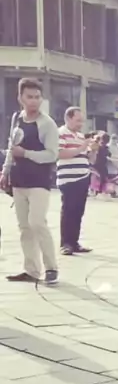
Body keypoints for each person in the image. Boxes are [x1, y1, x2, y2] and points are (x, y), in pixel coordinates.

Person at [1, 78, 58, 284]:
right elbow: (11, 147)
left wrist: (25, 153)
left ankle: (51, 268)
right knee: (24, 227)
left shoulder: (47, 123)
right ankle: (31, 270)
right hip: (19, 180)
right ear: (20, 98)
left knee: (37, 222)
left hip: (39, 181)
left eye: (37, 97)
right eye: (29, 97)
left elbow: (52, 154)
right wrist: (5, 171)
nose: (34, 101)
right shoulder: (17, 119)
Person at [57, 106, 92, 255]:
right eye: (78, 121)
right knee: (68, 210)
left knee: (78, 211)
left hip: (83, 176)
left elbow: (89, 158)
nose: (80, 124)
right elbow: (60, 153)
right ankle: (65, 243)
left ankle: (74, 242)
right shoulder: (60, 133)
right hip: (68, 178)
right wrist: (81, 148)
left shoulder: (80, 136)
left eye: (82, 121)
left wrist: (93, 149)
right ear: (68, 118)